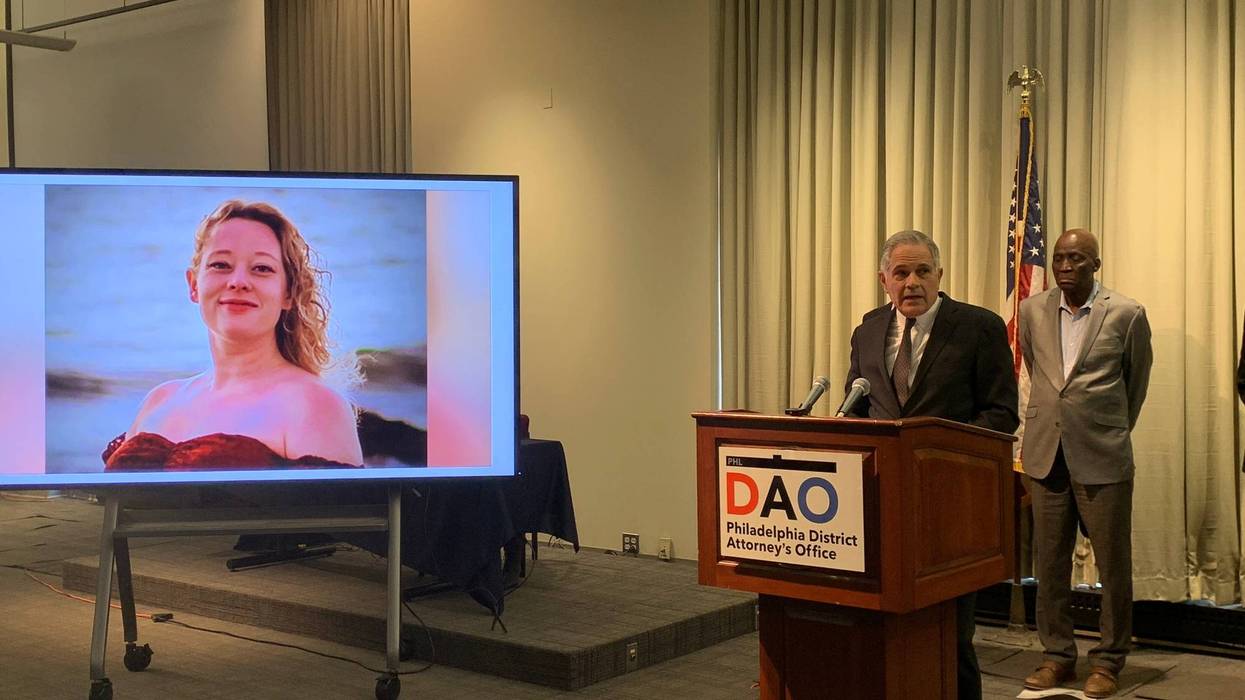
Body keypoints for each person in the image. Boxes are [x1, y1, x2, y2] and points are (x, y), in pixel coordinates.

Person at [844, 229, 1019, 700]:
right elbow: (855, 407)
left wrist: (945, 458)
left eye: (923, 271)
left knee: (950, 631)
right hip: (881, 504)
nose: (912, 282)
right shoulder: (867, 329)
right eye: (901, 273)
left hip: (950, 504)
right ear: (884, 279)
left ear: (940, 275)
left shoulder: (978, 327)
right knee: (887, 625)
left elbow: (1001, 414)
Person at [104, 199, 364, 470]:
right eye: (221, 265)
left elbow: (342, 513)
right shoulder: (159, 399)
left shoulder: (314, 404)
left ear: (288, 293)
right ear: (194, 285)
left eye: (262, 268)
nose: (238, 281)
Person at [1019, 228, 1152, 699]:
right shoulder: (1031, 310)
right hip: (1045, 454)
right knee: (1049, 563)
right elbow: (1040, 373)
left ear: (1096, 263)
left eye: (1076, 258)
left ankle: (1109, 660)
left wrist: (1103, 428)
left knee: (1113, 564)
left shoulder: (1126, 313)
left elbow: (1134, 385)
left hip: (1103, 454)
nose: (1065, 265)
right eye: (1058, 257)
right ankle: (1057, 655)